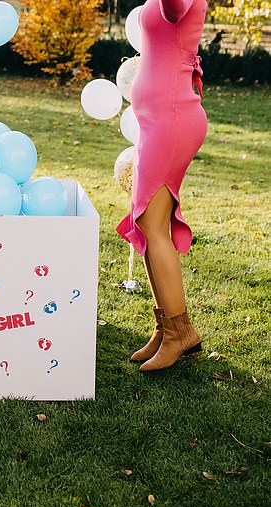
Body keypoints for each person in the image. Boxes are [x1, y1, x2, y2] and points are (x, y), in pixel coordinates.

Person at [116, 0, 207, 371]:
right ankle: (166, 325)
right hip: (157, 119)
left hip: (172, 118)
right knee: (147, 224)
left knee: (154, 228)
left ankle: (180, 332)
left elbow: (172, 12)